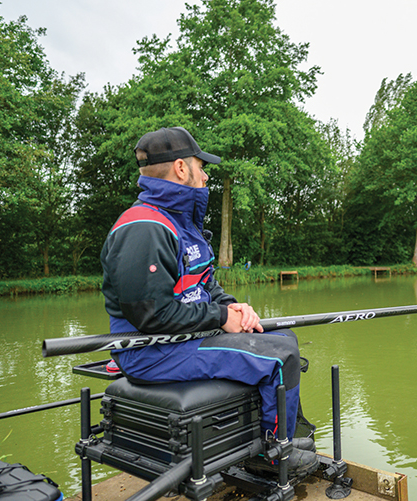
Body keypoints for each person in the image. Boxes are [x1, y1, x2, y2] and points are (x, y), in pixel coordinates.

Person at [100, 127, 316, 475]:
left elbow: (206, 284)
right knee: (281, 359)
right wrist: (219, 317)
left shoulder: (183, 224)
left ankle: (280, 435)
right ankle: (271, 457)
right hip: (154, 352)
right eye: (201, 166)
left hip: (190, 338)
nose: (206, 175)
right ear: (181, 169)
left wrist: (233, 308)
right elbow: (150, 315)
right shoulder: (143, 227)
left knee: (285, 338)